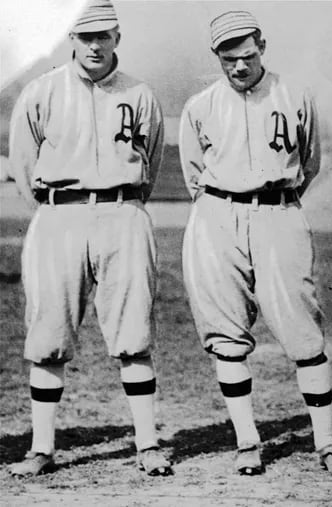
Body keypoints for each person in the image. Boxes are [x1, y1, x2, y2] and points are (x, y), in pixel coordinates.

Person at [178, 10, 332, 477]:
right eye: (228, 59)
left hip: (279, 211)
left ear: (262, 45)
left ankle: (327, 442)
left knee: (301, 324)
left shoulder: (294, 94)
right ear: (217, 57)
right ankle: (247, 441)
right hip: (217, 215)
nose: (239, 66)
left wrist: (277, 199)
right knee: (226, 330)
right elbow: (193, 172)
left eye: (247, 55)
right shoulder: (202, 106)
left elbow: (311, 160)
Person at [7, 0, 171, 477]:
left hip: (124, 213)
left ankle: (147, 445)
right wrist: (58, 204)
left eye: (103, 34)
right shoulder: (41, 91)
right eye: (84, 35)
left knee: (134, 333)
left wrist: (125, 201)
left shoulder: (140, 92)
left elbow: (153, 160)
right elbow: (23, 164)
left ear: (117, 37)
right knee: (48, 333)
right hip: (59, 215)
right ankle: (41, 448)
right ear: (70, 40)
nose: (94, 44)